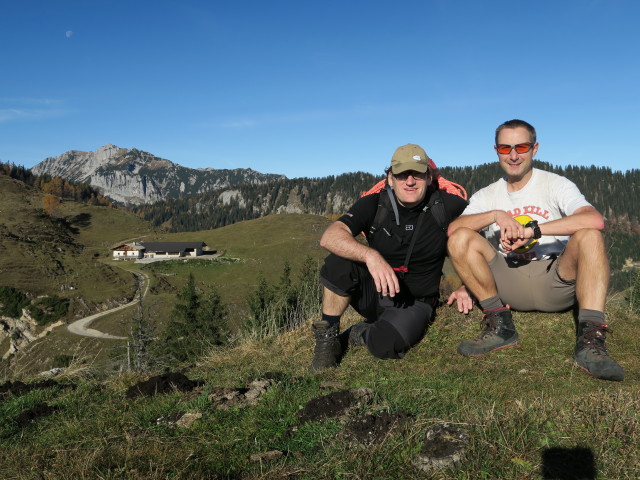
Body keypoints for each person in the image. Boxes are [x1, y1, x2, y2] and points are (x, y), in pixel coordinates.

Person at [446, 119, 624, 381]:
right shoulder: (488, 194)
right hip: (508, 281)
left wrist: (533, 230)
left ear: (535, 149)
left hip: (556, 279)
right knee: (460, 238)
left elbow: (594, 219)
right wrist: (497, 214)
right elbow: (454, 229)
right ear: (496, 151)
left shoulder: (555, 184)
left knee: (590, 236)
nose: (514, 155)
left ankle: (590, 342)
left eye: (522, 147)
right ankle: (500, 326)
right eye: (506, 148)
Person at [311, 144, 470, 370]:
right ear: (390, 178)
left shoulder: (447, 206)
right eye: (402, 174)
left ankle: (360, 333)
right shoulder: (374, 203)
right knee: (340, 261)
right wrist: (370, 256)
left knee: (385, 345)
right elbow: (329, 237)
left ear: (428, 177)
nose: (410, 181)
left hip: (416, 302)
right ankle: (327, 339)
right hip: (376, 292)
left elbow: (479, 241)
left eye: (417, 174)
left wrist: (467, 286)